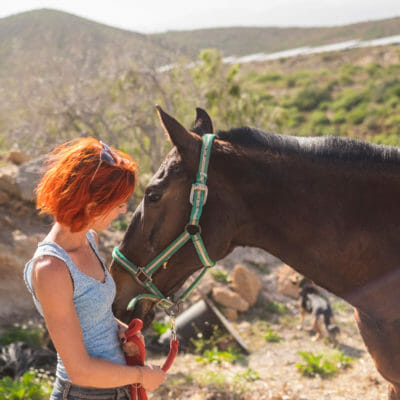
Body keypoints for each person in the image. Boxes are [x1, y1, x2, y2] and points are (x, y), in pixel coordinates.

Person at [24, 138, 166, 399]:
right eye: (118, 203)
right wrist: (142, 376)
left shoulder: (90, 239)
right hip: (82, 393)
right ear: (90, 204)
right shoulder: (51, 268)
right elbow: (79, 370)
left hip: (116, 385)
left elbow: (89, 312)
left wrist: (120, 329)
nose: (124, 210)